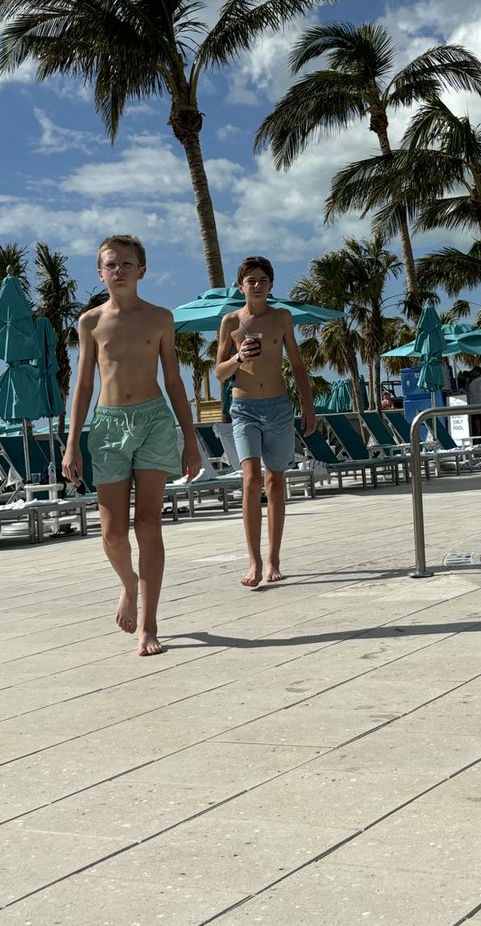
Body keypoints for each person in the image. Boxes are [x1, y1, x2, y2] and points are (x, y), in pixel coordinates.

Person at [62, 234, 200, 657]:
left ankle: (149, 623)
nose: (118, 270)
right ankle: (128, 587)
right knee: (113, 532)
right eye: (110, 264)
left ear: (143, 270)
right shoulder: (90, 322)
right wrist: (73, 443)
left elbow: (174, 379)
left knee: (149, 525)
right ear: (99, 272)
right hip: (106, 427)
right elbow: (84, 384)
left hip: (154, 421)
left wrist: (190, 440)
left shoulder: (161, 318)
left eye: (127, 263)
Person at [215, 256, 315, 588]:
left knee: (275, 482)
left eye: (262, 280)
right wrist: (238, 357)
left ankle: (273, 559)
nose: (256, 285)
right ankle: (253, 562)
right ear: (240, 285)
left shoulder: (282, 318)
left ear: (271, 284)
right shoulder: (230, 322)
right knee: (250, 479)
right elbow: (219, 372)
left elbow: (297, 365)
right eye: (251, 280)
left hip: (278, 406)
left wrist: (309, 407)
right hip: (243, 406)